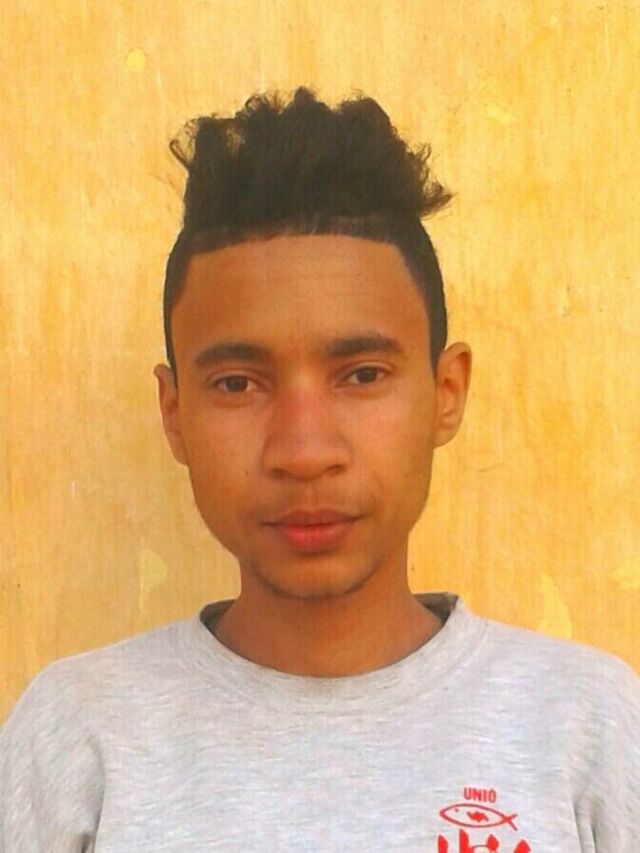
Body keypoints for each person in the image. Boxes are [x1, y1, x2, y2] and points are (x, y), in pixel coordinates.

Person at [1, 86, 638, 852]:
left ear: (446, 393)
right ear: (174, 413)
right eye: (238, 384)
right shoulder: (78, 734)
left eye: (362, 374)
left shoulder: (589, 727)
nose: (304, 452)